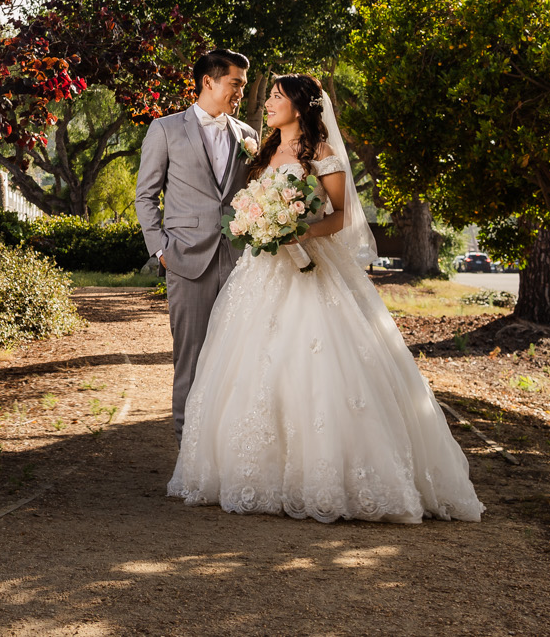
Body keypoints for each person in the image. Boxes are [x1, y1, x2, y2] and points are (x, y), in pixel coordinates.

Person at [167, 73, 484, 524]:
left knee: (316, 365)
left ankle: (331, 478)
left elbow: (341, 217)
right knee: (251, 366)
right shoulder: (260, 153)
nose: (269, 104)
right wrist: (258, 227)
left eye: (277, 97)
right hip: (260, 274)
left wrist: (294, 230)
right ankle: (252, 473)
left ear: (300, 106)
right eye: (270, 97)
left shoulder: (323, 155)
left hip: (310, 269)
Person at [135, 47, 257, 438]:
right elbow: (145, 195)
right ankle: (188, 443)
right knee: (190, 355)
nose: (241, 91)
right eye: (236, 83)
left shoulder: (249, 136)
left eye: (244, 84)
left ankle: (228, 441)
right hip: (185, 259)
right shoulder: (165, 128)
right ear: (209, 81)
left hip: (240, 261)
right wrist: (160, 250)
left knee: (240, 354)